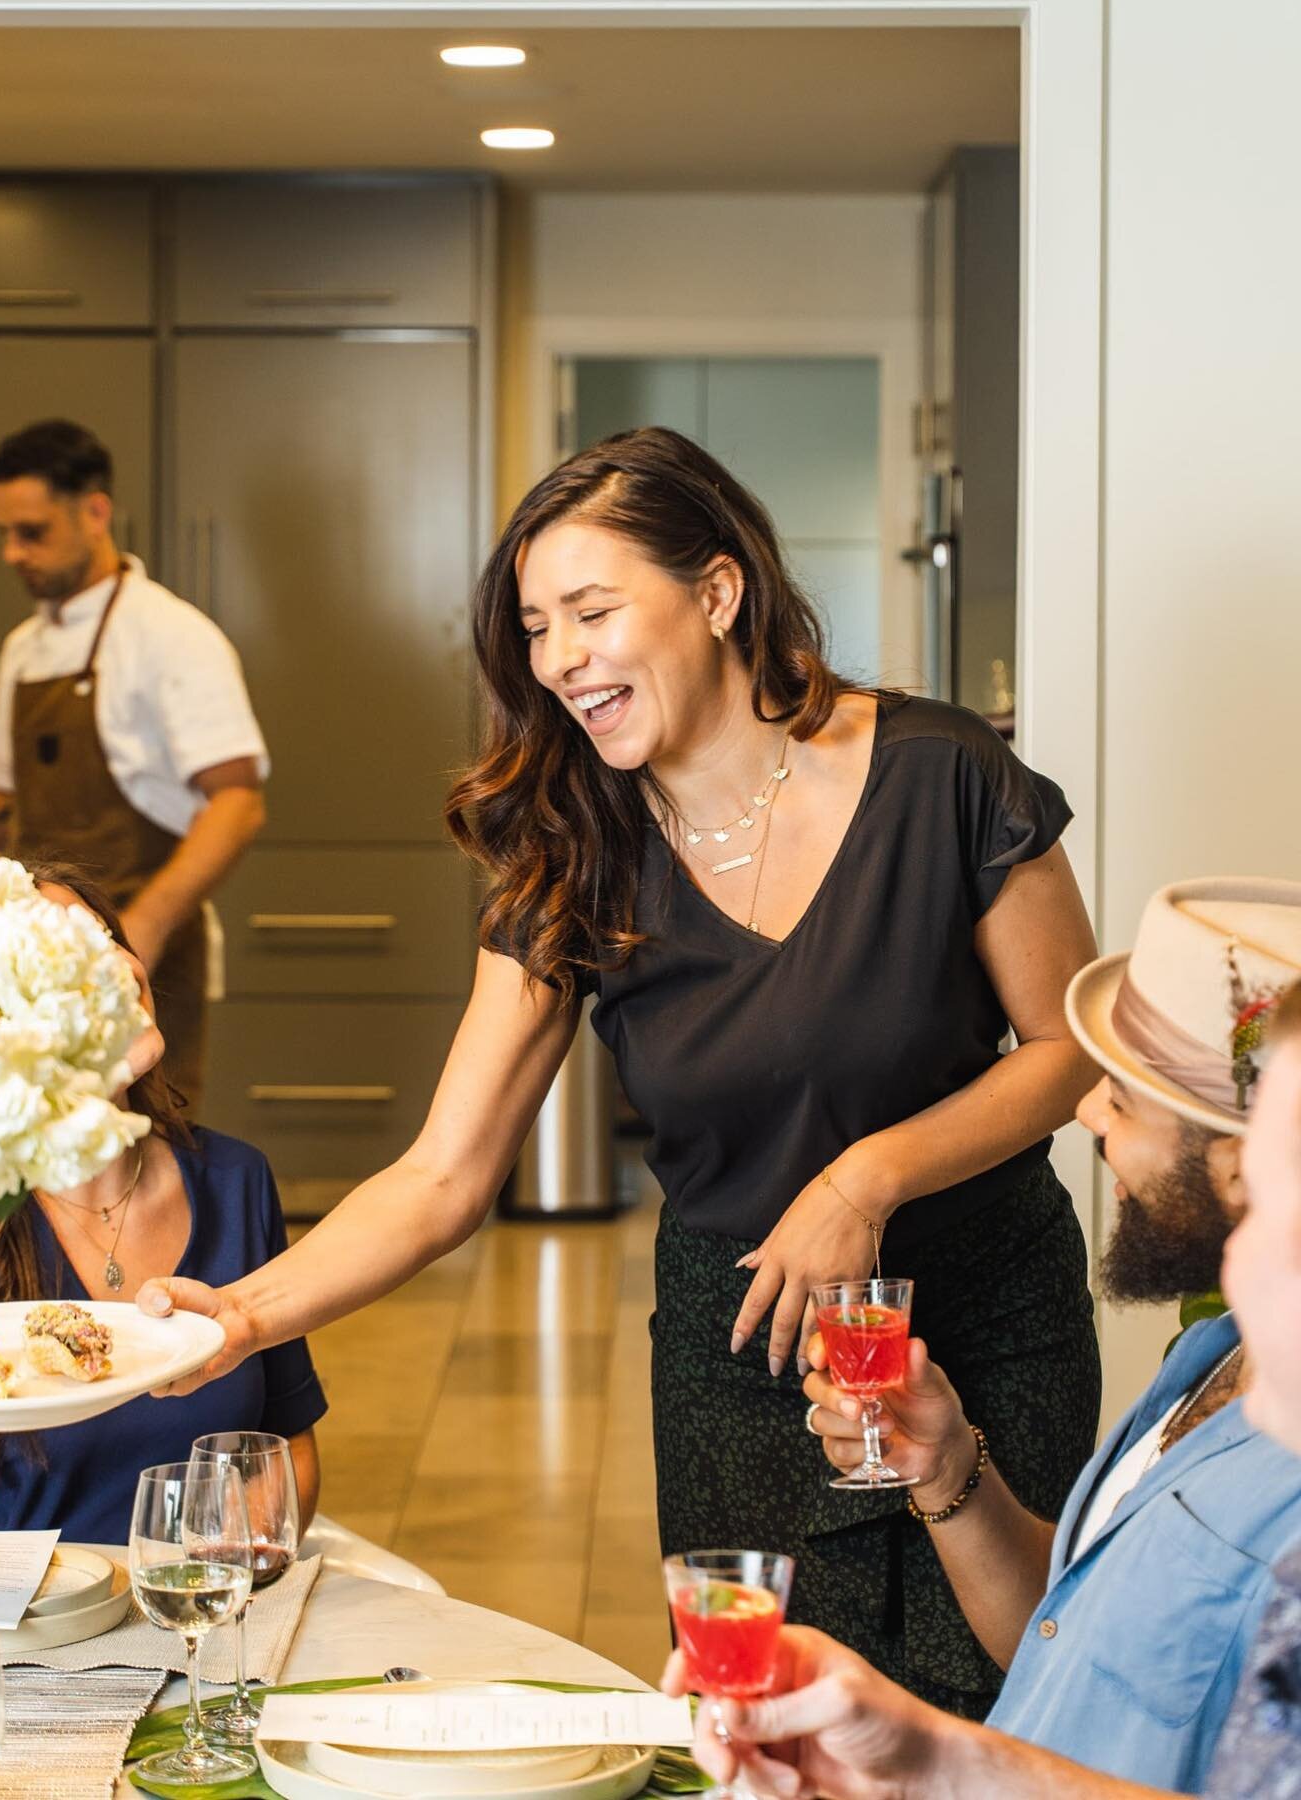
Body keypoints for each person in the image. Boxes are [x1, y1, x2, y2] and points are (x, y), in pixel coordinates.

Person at [137, 426, 1101, 1714]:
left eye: (592, 611)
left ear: (717, 592)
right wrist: (246, 1315)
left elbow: (1069, 1049)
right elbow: (442, 1173)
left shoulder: (945, 776)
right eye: (535, 628)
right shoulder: (572, 846)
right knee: (764, 1723)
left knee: (1021, 1699)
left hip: (987, 1308)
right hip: (744, 1346)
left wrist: (867, 1178)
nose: (559, 661)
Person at [663, 881, 1301, 1796]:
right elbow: (1073, 1636)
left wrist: (935, 1766)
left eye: (1119, 1098)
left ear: (1245, 1175)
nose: (1086, 1114)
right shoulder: (1213, 1359)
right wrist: (947, 1468)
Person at [0, 868, 325, 1546]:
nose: (117, 967)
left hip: (185, 1608)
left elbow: (284, 1450)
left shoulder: (235, 1179)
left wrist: (226, 1576)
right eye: (61, 960)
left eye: (104, 937)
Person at [0, 419, 268, 1110]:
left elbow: (238, 803)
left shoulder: (172, 637)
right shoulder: (24, 649)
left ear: (95, 512)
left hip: (142, 952)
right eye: (3, 534)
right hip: (34, 951)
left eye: (31, 533)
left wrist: (142, 928)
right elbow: (11, 807)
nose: (12, 553)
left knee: (149, 1155)